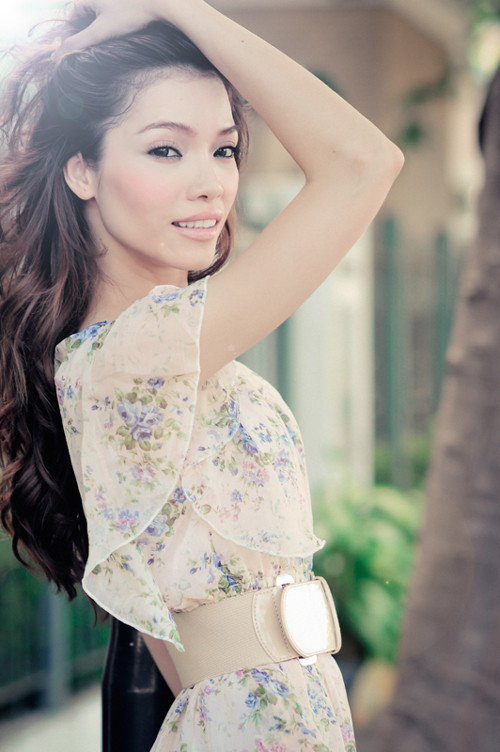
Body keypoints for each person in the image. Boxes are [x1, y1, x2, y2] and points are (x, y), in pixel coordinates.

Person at [0, 1, 403, 750]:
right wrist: (178, 6)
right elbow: (362, 162)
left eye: (224, 149)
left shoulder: (156, 348)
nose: (212, 183)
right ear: (83, 170)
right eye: (165, 149)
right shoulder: (130, 357)